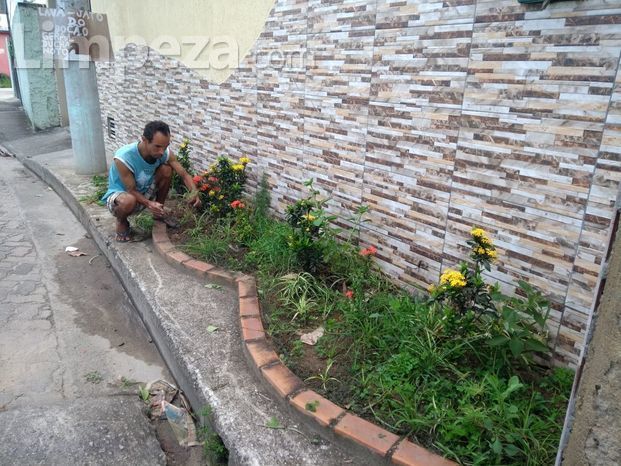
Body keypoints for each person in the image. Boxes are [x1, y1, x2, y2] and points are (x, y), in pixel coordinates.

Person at [101, 120, 201, 242]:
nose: (162, 151)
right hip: (121, 198)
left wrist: (194, 193)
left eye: (165, 146)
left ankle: (159, 212)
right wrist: (149, 204)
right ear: (144, 139)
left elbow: (184, 174)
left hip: (143, 192)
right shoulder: (124, 157)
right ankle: (121, 221)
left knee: (166, 170)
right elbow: (130, 190)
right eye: (157, 146)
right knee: (128, 201)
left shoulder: (164, 153)